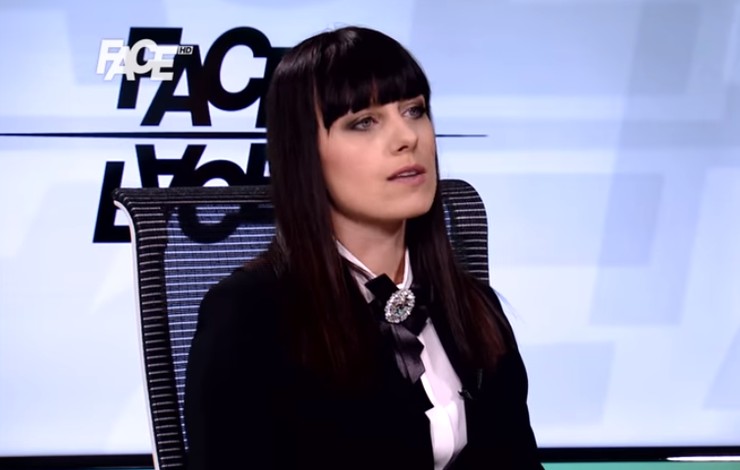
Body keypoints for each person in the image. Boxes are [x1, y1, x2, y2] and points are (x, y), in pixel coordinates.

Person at [184, 26, 543, 469]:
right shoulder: (248, 316)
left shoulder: (475, 307)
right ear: (304, 153)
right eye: (364, 122)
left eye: (414, 111)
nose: (407, 137)